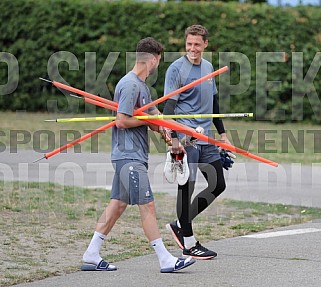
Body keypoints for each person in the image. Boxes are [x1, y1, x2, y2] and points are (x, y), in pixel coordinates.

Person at [81, 37, 195, 273]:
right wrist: (145, 119)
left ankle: (91, 253)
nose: (157, 66)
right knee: (148, 205)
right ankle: (165, 259)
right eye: (158, 62)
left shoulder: (143, 87)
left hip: (134, 155)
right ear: (152, 60)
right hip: (128, 156)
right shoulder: (130, 84)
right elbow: (122, 121)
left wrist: (176, 138)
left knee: (118, 204)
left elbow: (157, 120)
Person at [163, 25, 234, 260]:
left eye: (197, 44)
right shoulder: (176, 69)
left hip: (206, 138)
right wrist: (173, 139)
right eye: (188, 44)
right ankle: (189, 243)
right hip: (185, 139)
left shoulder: (208, 67)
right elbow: (169, 107)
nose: (192, 49)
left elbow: (213, 103)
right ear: (185, 44)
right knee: (186, 187)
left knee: (217, 184)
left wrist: (222, 135)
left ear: (205, 44)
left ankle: (179, 225)